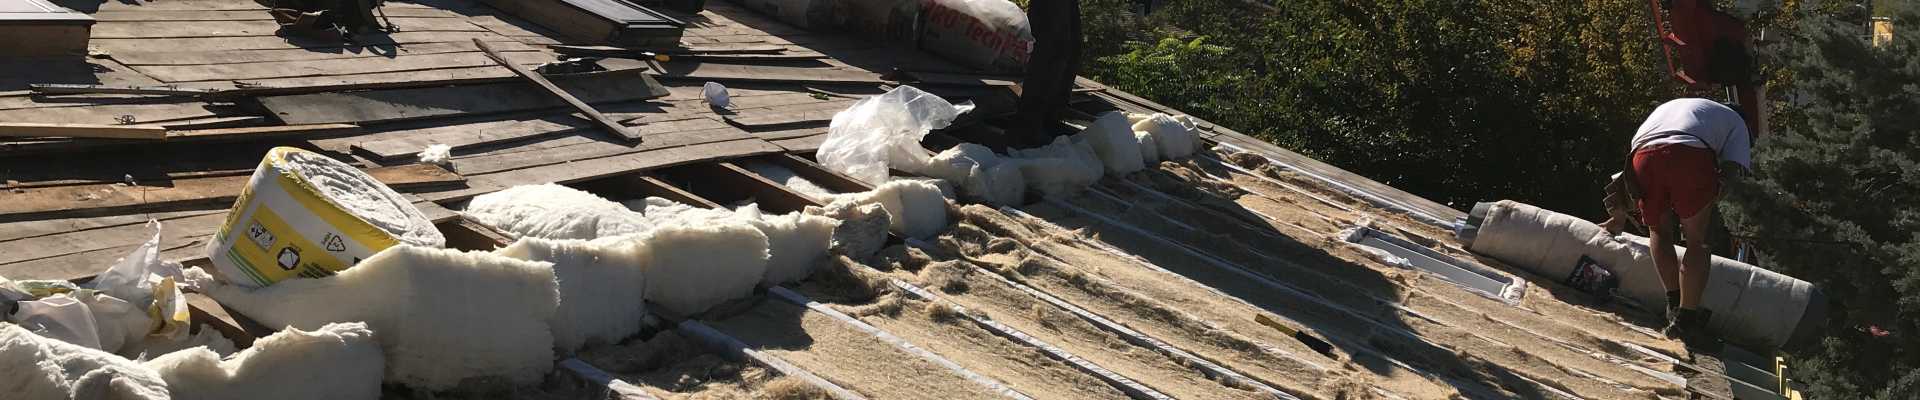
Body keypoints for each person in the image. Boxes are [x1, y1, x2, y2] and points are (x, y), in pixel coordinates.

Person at [1606, 98, 1754, 347]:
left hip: (1641, 157)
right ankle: (1686, 320)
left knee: (1659, 231)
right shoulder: (1737, 123)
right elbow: (1732, 175)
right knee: (1697, 241)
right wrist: (1710, 196)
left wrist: (1617, 216)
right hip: (1689, 156)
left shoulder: (1681, 108)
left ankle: (1673, 305)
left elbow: (1633, 165)